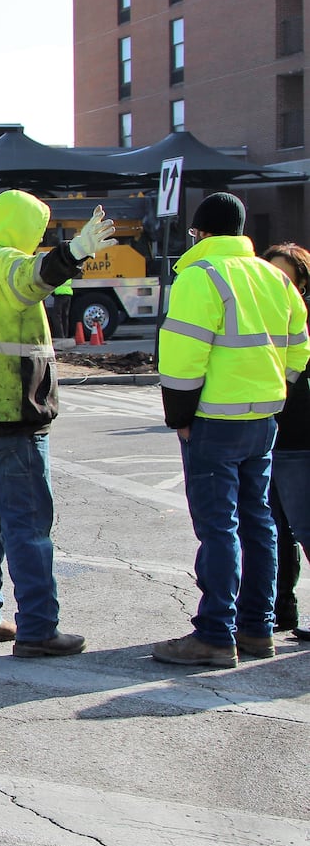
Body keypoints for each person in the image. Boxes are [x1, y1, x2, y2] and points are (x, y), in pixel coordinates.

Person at [0, 190, 120, 658]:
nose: (38, 238)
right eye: (38, 229)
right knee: (28, 526)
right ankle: (39, 628)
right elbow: (34, 278)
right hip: (13, 410)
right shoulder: (5, 261)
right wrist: (76, 251)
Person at [153, 193, 309, 668]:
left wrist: (179, 417)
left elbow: (182, 357)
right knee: (259, 521)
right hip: (263, 418)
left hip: (214, 420)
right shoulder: (272, 276)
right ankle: (257, 630)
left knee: (219, 527)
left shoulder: (201, 277)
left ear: (200, 232)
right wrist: (276, 389)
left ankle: (215, 635)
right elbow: (299, 348)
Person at [260, 242, 310, 640]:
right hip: (267, 435)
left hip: (299, 437)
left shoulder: (302, 320)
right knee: (275, 528)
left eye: (285, 277)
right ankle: (283, 610)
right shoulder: (264, 313)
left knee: (305, 527)